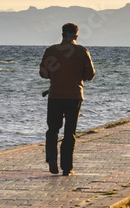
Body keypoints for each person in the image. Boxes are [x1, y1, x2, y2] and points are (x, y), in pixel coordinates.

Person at [39, 23, 95, 176]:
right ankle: (67, 167)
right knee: (70, 132)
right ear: (76, 36)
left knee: (52, 130)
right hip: (74, 96)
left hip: (55, 95)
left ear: (62, 34)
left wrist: (55, 75)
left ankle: (51, 159)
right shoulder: (82, 52)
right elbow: (90, 75)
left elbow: (43, 73)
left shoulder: (51, 51)